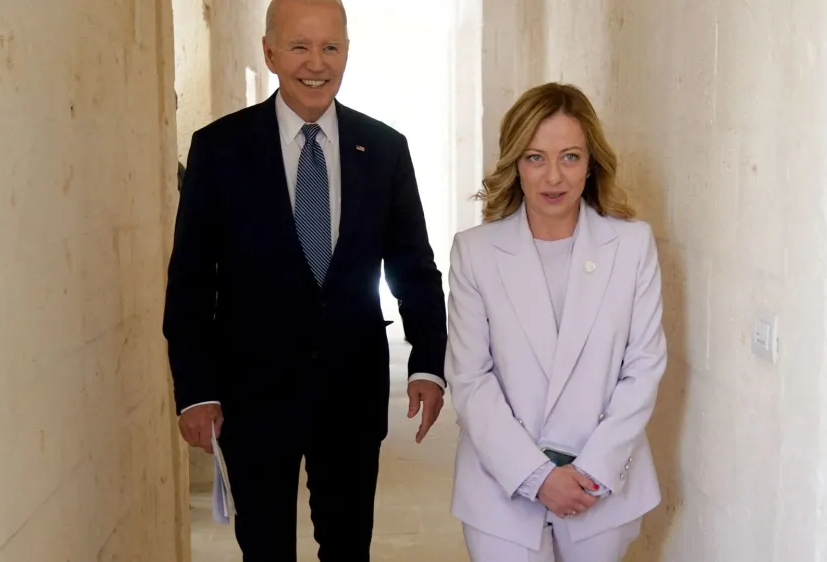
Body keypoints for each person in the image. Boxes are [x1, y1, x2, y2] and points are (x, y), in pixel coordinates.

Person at [161, 0, 448, 560]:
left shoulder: (385, 149)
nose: (315, 63)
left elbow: (413, 265)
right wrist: (195, 390)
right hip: (252, 396)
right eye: (299, 46)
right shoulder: (219, 150)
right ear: (269, 52)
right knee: (264, 549)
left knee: (347, 549)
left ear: (346, 53)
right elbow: (192, 279)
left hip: (352, 394)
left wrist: (428, 363)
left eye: (330, 47)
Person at [444, 82, 668, 562]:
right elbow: (469, 379)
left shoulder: (631, 247)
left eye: (569, 156)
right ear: (514, 164)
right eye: (534, 157)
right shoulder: (475, 252)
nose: (553, 177)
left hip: (602, 489)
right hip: (499, 489)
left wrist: (592, 471)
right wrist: (537, 476)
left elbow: (644, 366)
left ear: (591, 163)